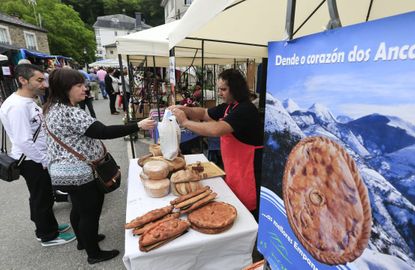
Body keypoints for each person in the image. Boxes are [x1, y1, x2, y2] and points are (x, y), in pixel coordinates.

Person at [43, 68, 155, 264]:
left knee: (78, 208)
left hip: (63, 171)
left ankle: (84, 241)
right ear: (64, 88)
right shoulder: (69, 112)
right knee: (90, 212)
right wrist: (138, 125)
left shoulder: (51, 107)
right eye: (78, 85)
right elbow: (102, 131)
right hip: (79, 172)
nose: (85, 88)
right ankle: (94, 253)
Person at [0, 64, 76, 247]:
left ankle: (49, 227)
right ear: (23, 80)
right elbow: (23, 140)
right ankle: (47, 235)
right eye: (39, 80)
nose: (44, 84)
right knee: (41, 198)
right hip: (32, 161)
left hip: (38, 158)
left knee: (43, 196)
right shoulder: (16, 106)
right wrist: (44, 161)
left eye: (44, 79)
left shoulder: (28, 101)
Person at [170, 69, 263, 216]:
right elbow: (204, 113)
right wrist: (185, 109)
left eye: (223, 89)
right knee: (237, 206)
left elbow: (216, 129)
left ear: (236, 89)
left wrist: (185, 122)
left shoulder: (245, 109)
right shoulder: (230, 106)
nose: (220, 93)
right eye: (219, 89)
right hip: (234, 169)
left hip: (249, 172)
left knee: (249, 214)